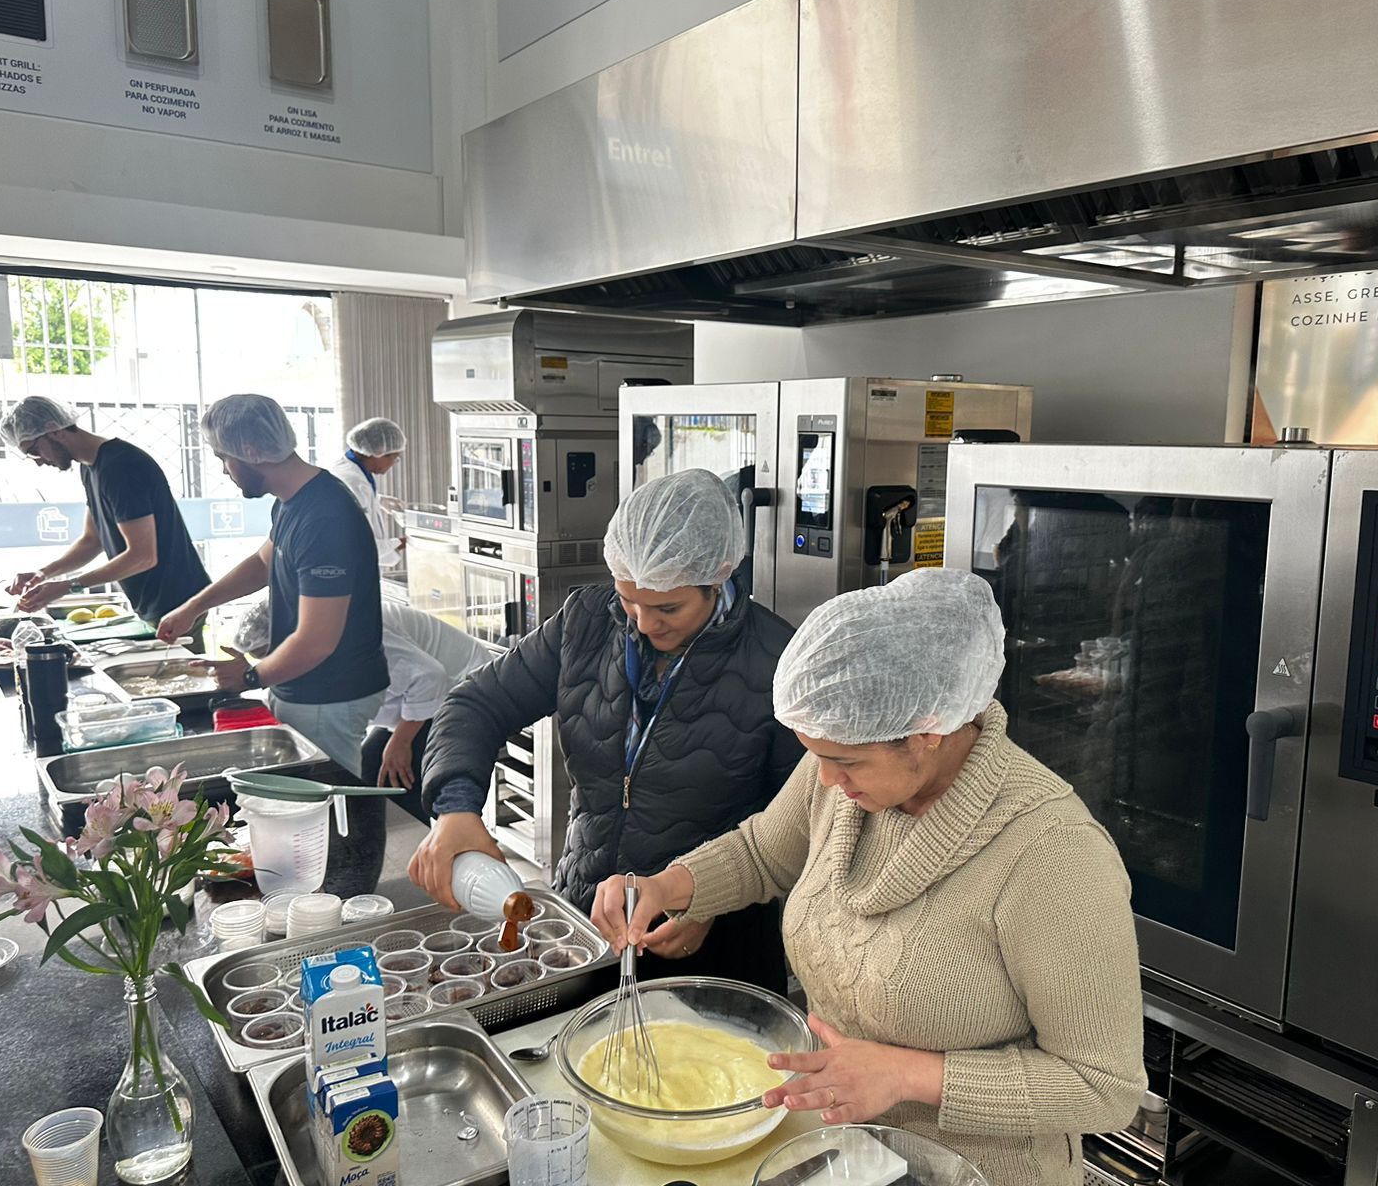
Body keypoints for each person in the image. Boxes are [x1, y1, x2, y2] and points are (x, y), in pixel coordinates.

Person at [591, 570, 1147, 1186]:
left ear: (928, 732)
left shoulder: (1053, 856)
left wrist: (906, 1075)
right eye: (816, 755)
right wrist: (668, 886)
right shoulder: (851, 768)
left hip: (976, 1173)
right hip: (836, 1154)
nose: (826, 781)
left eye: (842, 761)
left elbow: (1105, 1086)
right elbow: (762, 852)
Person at [412, 469, 802, 993]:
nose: (643, 623)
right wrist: (455, 806)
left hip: (713, 946)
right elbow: (475, 704)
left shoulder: (778, 661)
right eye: (628, 600)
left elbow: (798, 819)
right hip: (586, 921)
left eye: (668, 607)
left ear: (720, 575)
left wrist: (709, 897)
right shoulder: (586, 623)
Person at [157, 394, 388, 778]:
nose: (225, 470)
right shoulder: (293, 500)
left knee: (329, 808)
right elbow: (263, 562)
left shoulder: (324, 518)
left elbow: (316, 641)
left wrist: (249, 677)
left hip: (330, 692)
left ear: (251, 450)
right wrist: (194, 607)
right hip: (306, 686)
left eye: (223, 458)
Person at [230, 594, 492, 812]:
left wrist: (400, 743)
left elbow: (430, 677)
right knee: (368, 776)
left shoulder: (352, 632)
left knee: (396, 781)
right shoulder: (313, 640)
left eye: (272, 655)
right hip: (418, 703)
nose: (276, 665)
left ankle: (415, 856)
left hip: (464, 691)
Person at [0, 396, 212, 647]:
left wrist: (69, 586)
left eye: (34, 450)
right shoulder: (91, 467)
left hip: (177, 601)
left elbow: (143, 556)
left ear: (53, 430)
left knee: (189, 681)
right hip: (154, 601)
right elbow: (92, 540)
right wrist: (43, 573)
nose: (39, 461)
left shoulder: (120, 466)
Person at [328, 417, 406, 571]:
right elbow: (361, 545)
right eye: (394, 457)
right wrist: (404, 542)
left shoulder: (346, 468)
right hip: (348, 571)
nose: (393, 463)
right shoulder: (355, 484)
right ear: (379, 452)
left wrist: (377, 500)